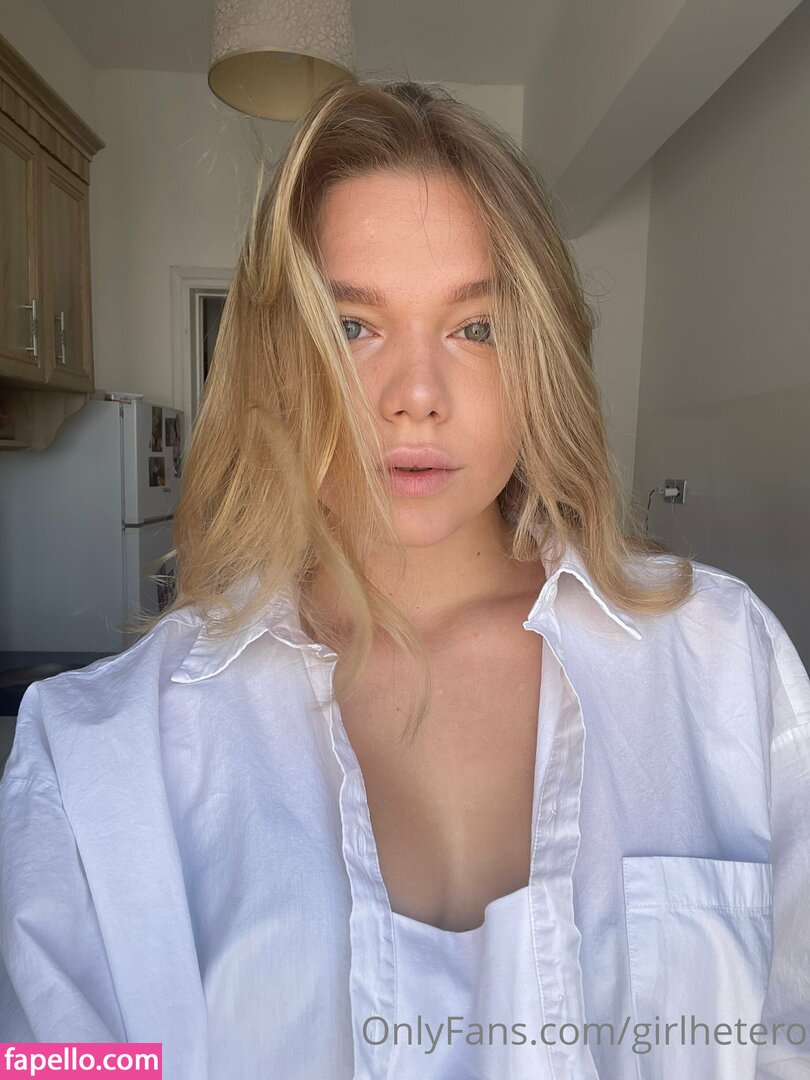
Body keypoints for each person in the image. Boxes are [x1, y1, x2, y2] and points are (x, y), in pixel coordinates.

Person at [1, 79, 808, 1080]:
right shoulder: (101, 758)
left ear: (542, 353)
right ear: (277, 364)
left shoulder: (722, 661)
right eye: (352, 326)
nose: (416, 397)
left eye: (477, 326)